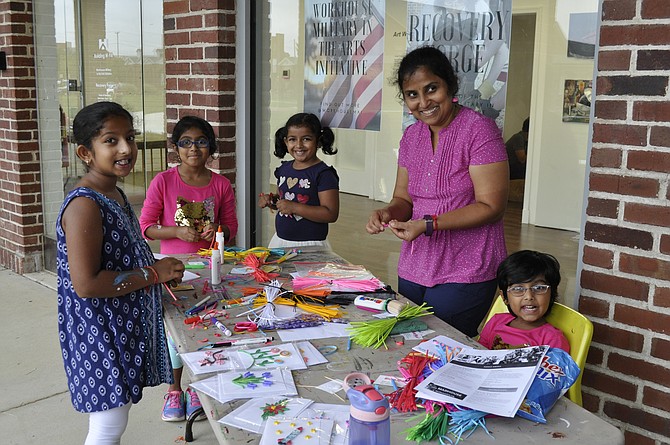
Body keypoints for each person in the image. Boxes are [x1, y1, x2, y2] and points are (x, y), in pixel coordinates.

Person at [56, 101, 185, 445]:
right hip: (99, 333)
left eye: (130, 137)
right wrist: (153, 274)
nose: (126, 148)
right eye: (111, 141)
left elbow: (123, 254)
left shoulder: (112, 191)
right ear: (85, 152)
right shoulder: (85, 204)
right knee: (108, 425)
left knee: (117, 415)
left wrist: (159, 268)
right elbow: (85, 284)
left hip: (117, 326)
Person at [365, 46, 509, 338]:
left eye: (432, 89)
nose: (423, 102)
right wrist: (387, 213)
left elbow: (491, 206)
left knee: (444, 346)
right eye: (412, 94)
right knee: (412, 343)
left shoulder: (479, 130)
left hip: (466, 266)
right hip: (415, 265)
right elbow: (404, 199)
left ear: (450, 86)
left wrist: (429, 224)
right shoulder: (411, 137)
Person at [139, 115, 239, 422]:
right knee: (175, 334)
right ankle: (174, 389)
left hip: (211, 267)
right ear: (176, 148)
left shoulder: (220, 184)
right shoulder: (164, 181)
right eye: (185, 142)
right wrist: (176, 232)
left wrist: (218, 231)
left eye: (201, 142)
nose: (193, 148)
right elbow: (146, 227)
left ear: (211, 148)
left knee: (206, 326)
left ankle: (197, 386)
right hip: (175, 270)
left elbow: (231, 227)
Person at [258, 112, 339, 249]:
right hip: (280, 241)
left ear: (318, 141)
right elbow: (283, 200)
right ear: (285, 141)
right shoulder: (284, 169)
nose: (299, 145)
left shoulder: (324, 174)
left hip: (311, 245)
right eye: (292, 139)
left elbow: (330, 213)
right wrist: (271, 201)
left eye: (306, 139)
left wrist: (294, 207)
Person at [479, 250, 570, 352]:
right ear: (504, 297)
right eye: (518, 289)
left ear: (552, 293)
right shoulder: (495, 322)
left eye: (539, 288)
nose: (529, 296)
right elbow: (478, 353)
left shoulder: (552, 340)